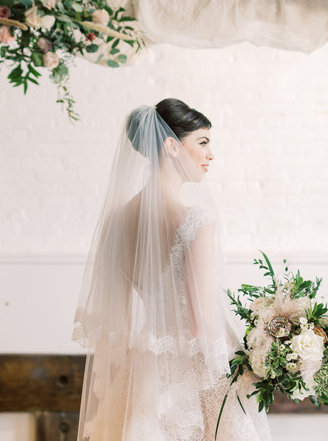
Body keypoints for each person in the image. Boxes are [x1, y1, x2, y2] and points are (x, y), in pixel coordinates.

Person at [71, 99, 271, 440]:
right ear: (172, 146)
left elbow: (116, 322)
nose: (211, 156)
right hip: (194, 382)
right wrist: (254, 360)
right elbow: (201, 322)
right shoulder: (196, 221)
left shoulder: (116, 221)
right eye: (203, 142)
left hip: (142, 375)